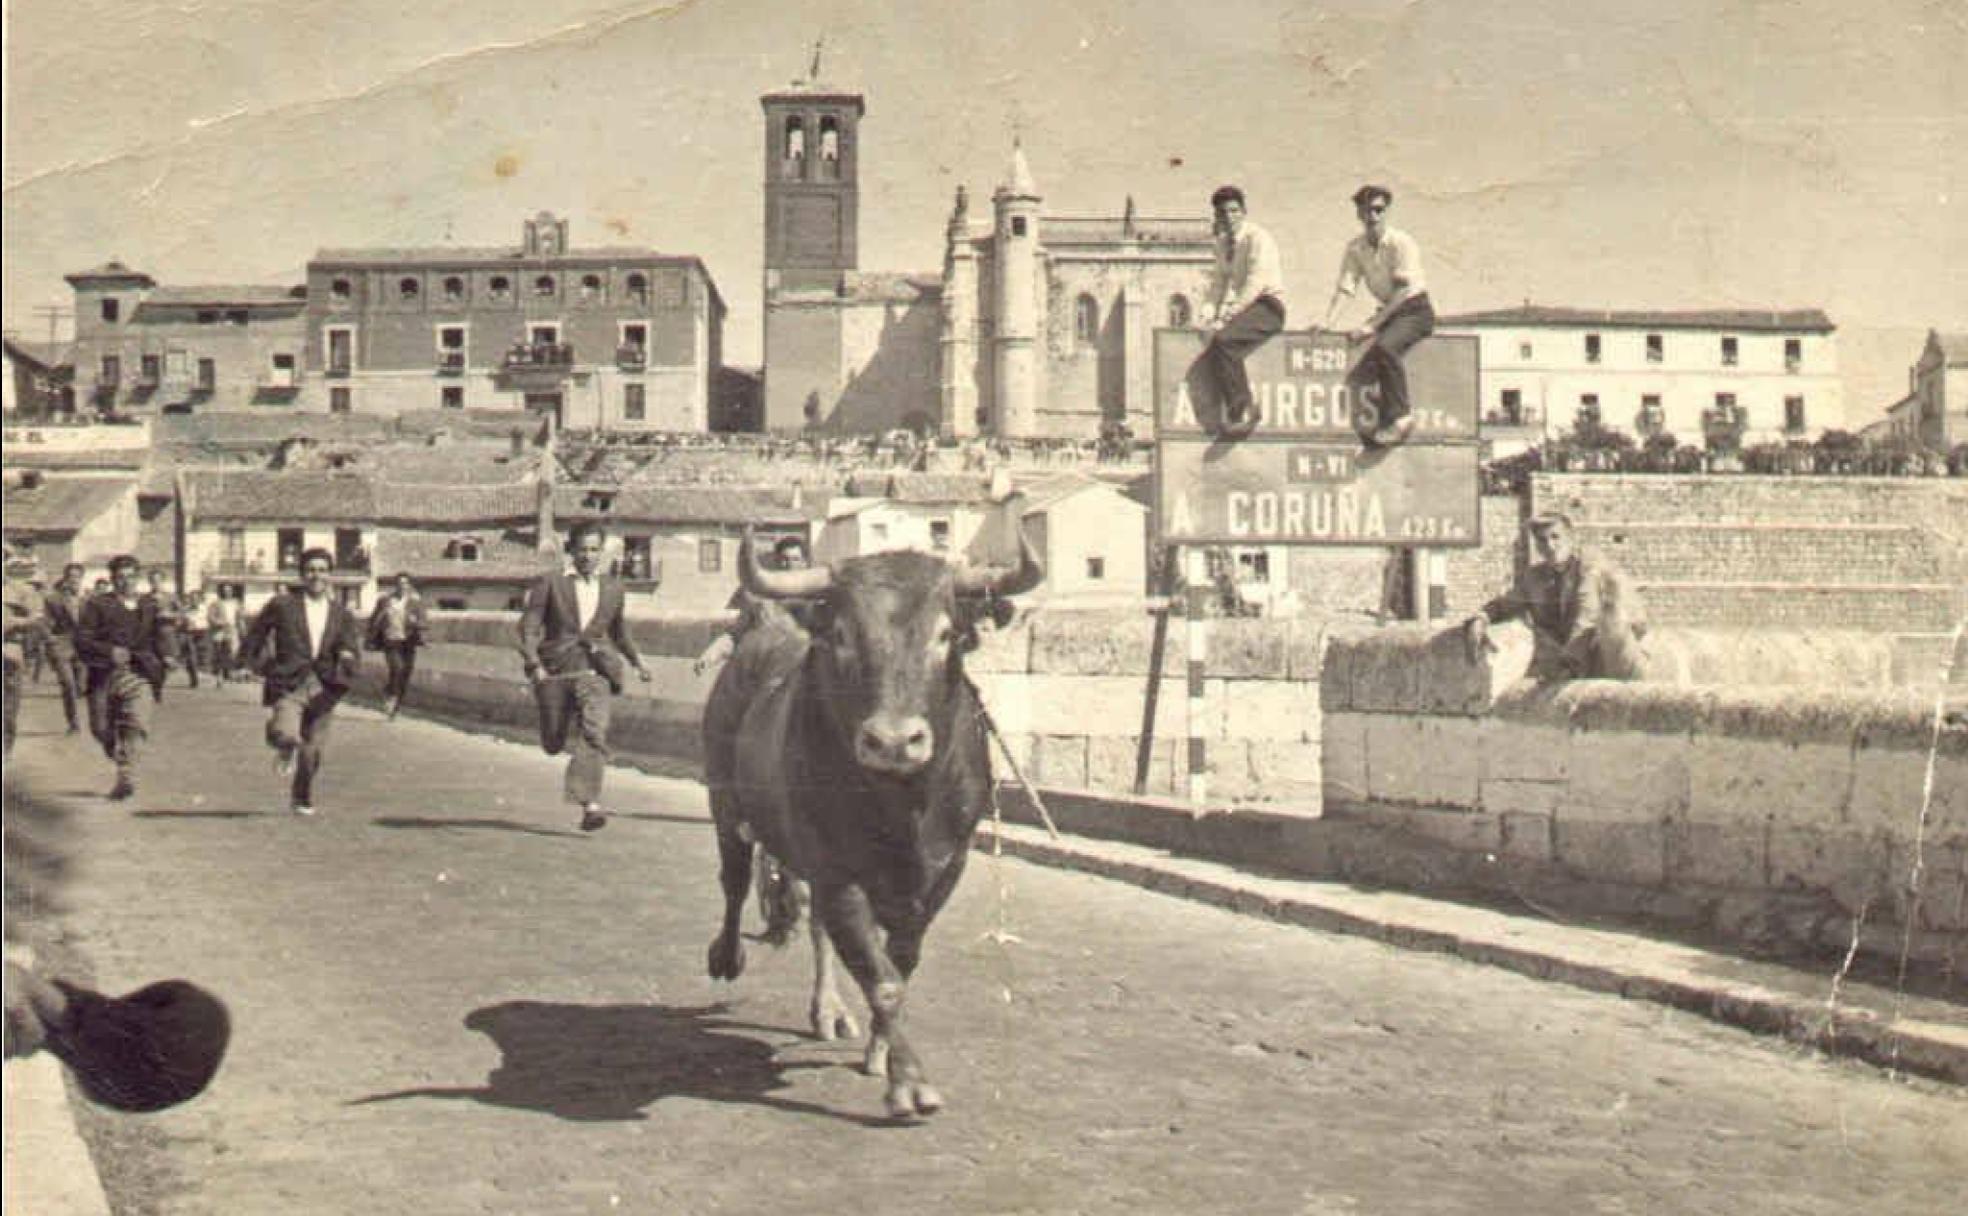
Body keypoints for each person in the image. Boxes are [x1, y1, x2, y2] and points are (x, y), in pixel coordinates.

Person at [517, 522, 652, 833]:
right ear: (571, 550)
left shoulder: (614, 588)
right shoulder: (551, 583)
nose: (588, 556)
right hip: (556, 670)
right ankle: (559, 744)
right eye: (582, 549)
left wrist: (637, 661)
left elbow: (619, 632)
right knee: (553, 741)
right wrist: (533, 662)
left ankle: (589, 803)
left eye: (594, 550)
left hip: (597, 671)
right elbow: (528, 626)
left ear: (601, 552)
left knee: (595, 731)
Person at [241, 549, 362, 816]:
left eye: (321, 570)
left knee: (312, 751)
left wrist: (347, 654)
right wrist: (250, 664)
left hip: (325, 685)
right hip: (289, 681)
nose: (316, 575)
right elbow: (256, 634)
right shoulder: (283, 605)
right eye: (310, 570)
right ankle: (283, 746)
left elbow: (350, 644)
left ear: (330, 575)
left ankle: (301, 797)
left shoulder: (341, 613)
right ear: (301, 575)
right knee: (286, 732)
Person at [1461, 513, 1649, 682]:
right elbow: (1505, 603)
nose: (1550, 546)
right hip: (1571, 657)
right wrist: (1481, 618)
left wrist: (1569, 663)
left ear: (1570, 538)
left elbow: (1587, 613)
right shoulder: (1535, 576)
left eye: (1555, 537)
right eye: (1542, 540)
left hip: (1613, 652)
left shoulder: (1589, 564)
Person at [1320, 184, 1435, 448]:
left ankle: (1402, 418)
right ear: (1358, 213)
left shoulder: (1401, 243)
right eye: (1367, 210)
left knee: (1384, 349)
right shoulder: (1355, 248)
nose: (1373, 216)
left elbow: (1404, 290)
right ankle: (1380, 428)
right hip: (1390, 314)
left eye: (1378, 210)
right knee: (1364, 369)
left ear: (1386, 211)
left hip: (1415, 310)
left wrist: (1372, 325)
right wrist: (1328, 322)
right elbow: (1346, 289)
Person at [75, 555, 174, 800]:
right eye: (120, 578)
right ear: (112, 580)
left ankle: (126, 775)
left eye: (130, 577)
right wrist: (109, 651)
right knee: (101, 730)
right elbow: (82, 640)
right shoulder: (97, 605)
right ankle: (119, 756)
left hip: (140, 673)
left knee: (135, 724)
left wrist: (168, 655)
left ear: (138, 577)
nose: (125, 582)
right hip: (104, 674)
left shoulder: (150, 605)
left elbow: (161, 634)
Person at [1200, 185, 1287, 437]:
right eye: (1223, 212)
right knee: (1216, 339)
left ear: (1244, 212)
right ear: (1216, 216)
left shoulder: (1258, 238)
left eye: (1234, 211)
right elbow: (1218, 284)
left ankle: (1244, 409)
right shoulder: (1222, 244)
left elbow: (1255, 284)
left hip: (1268, 306)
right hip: (1246, 308)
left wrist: (1225, 318)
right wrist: (1206, 315)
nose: (1229, 217)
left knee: (1225, 341)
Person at [692, 535, 811, 676]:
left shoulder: (817, 600)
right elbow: (735, 635)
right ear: (776, 562)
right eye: (784, 560)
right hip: (766, 676)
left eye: (795, 560)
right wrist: (710, 657)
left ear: (805, 563)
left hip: (803, 677)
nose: (789, 565)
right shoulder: (762, 602)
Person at [366, 572, 428, 719]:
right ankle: (390, 695)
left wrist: (415, 622)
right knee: (397, 668)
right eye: (399, 583)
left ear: (409, 586)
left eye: (405, 584)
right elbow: (374, 619)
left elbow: (424, 622)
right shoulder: (385, 600)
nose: (402, 586)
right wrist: (372, 635)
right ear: (395, 585)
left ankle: (395, 704)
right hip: (391, 640)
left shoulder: (415, 602)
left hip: (408, 641)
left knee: (406, 673)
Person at [2, 552, 46, 757]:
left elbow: (37, 618)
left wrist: (14, 623)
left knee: (8, 708)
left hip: (8, 651)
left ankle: (5, 748)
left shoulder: (21, 590)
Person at [41, 564, 88, 735]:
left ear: (82, 578)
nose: (73, 580)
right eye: (70, 576)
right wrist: (50, 639)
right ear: (65, 578)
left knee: (82, 686)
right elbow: (45, 622)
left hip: (84, 648)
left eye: (77, 576)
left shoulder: (89, 599)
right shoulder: (53, 599)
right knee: (68, 684)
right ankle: (74, 722)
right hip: (62, 645)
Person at [142, 569, 195, 692]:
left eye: (158, 581)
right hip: (150, 635)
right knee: (153, 663)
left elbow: (182, 613)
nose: (155, 584)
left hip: (166, 633)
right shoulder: (145, 598)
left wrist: (169, 614)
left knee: (165, 663)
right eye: (153, 581)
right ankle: (156, 686)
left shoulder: (171, 597)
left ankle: (158, 684)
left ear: (162, 581)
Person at [207, 584, 244, 682]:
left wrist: (242, 629)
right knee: (219, 650)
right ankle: (218, 671)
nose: (227, 592)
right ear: (221, 592)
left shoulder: (236, 603)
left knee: (231, 651)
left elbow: (239, 617)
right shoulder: (215, 603)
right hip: (219, 630)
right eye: (225, 590)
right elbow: (210, 617)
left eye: (229, 590)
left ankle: (227, 671)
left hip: (231, 629)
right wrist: (219, 623)